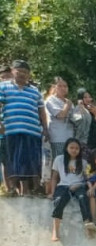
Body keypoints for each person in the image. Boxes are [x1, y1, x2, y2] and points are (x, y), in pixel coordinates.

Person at [1, 61, 46, 196]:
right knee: (13, 160)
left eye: (25, 72)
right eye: (19, 71)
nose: (22, 74)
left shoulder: (35, 90)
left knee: (32, 160)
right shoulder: (3, 87)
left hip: (32, 131)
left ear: (29, 75)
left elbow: (41, 111)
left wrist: (46, 128)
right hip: (12, 130)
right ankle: (13, 189)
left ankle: (34, 189)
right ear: (13, 71)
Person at [50, 139, 96, 242]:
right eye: (71, 147)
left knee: (83, 198)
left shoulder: (84, 162)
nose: (74, 150)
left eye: (77, 148)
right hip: (63, 185)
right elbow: (54, 177)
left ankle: (88, 226)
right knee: (58, 200)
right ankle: (55, 230)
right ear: (66, 148)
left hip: (79, 185)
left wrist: (80, 185)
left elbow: (87, 178)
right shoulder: (59, 159)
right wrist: (52, 192)